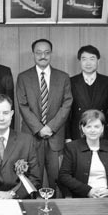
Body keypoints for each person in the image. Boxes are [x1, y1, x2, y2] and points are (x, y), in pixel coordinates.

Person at [15, 39, 72, 194]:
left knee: (57, 180)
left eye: (47, 52)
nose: (43, 56)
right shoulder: (23, 77)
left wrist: (50, 127)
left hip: (55, 136)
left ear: (51, 54)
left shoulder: (63, 77)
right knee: (32, 179)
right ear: (33, 54)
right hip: (32, 137)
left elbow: (67, 104)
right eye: (39, 52)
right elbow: (22, 105)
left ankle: (55, 213)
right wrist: (39, 128)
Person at [57, 110, 108, 198]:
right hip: (83, 197)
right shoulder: (72, 148)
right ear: (83, 129)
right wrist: (88, 191)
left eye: (96, 126)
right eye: (88, 126)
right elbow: (64, 176)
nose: (93, 130)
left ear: (102, 128)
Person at [66, 45, 108, 141]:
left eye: (92, 59)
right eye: (84, 59)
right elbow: (66, 113)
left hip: (102, 133)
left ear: (98, 61)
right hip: (77, 133)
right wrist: (68, 137)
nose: (88, 63)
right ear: (80, 62)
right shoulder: (70, 82)